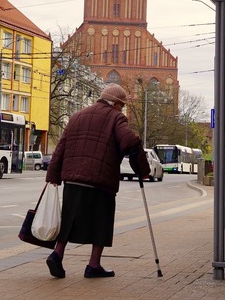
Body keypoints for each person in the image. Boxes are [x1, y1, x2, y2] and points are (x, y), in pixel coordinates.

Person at [44, 83, 150, 279]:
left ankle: (57, 254)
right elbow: (130, 141)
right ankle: (93, 265)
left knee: (69, 219)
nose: (122, 109)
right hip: (100, 180)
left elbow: (61, 147)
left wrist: (53, 176)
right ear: (116, 103)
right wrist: (143, 170)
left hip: (73, 179)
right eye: (122, 105)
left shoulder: (77, 116)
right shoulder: (116, 117)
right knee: (101, 222)